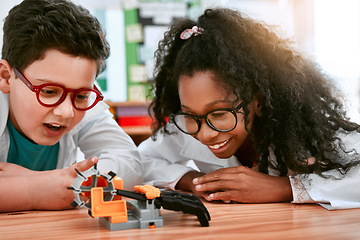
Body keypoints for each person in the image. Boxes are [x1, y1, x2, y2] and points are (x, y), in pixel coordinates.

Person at [138, 8, 360, 210]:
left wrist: (285, 187)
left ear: (258, 101)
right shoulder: (188, 126)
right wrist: (194, 181)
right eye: (190, 114)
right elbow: (140, 161)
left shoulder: (306, 130)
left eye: (219, 113)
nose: (204, 133)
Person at [0, 0, 142, 212]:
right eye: (48, 92)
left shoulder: (83, 101)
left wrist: (61, 184)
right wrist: (36, 190)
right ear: (6, 77)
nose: (67, 111)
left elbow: (129, 163)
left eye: (82, 95)